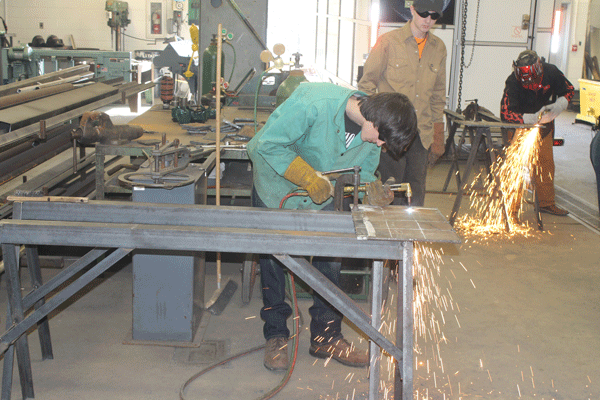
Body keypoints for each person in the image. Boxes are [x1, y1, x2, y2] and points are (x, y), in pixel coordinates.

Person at [247, 82, 418, 372]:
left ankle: (326, 336)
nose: (379, 145)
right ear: (374, 120)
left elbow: (362, 172)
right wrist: (306, 177)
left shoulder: (371, 135)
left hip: (322, 194)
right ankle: (276, 335)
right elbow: (266, 144)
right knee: (273, 262)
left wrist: (369, 190)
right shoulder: (314, 102)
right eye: (381, 139)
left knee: (331, 258)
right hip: (277, 188)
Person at [358, 0, 447, 207]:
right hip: (391, 134)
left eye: (434, 17)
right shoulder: (388, 42)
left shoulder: (438, 48)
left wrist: (438, 132)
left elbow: (438, 94)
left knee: (415, 191)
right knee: (390, 190)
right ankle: (389, 237)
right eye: (424, 14)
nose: (428, 20)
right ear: (413, 9)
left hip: (421, 134)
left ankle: (412, 237)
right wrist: (374, 124)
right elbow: (366, 85)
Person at [500, 50, 575, 216]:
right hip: (519, 127)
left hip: (544, 126)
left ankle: (546, 203)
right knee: (516, 166)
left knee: (545, 164)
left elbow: (569, 89)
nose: (530, 86)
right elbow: (505, 113)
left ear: (539, 70)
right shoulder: (513, 81)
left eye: (533, 82)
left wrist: (561, 103)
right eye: (525, 83)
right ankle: (511, 205)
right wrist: (526, 118)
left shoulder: (551, 71)